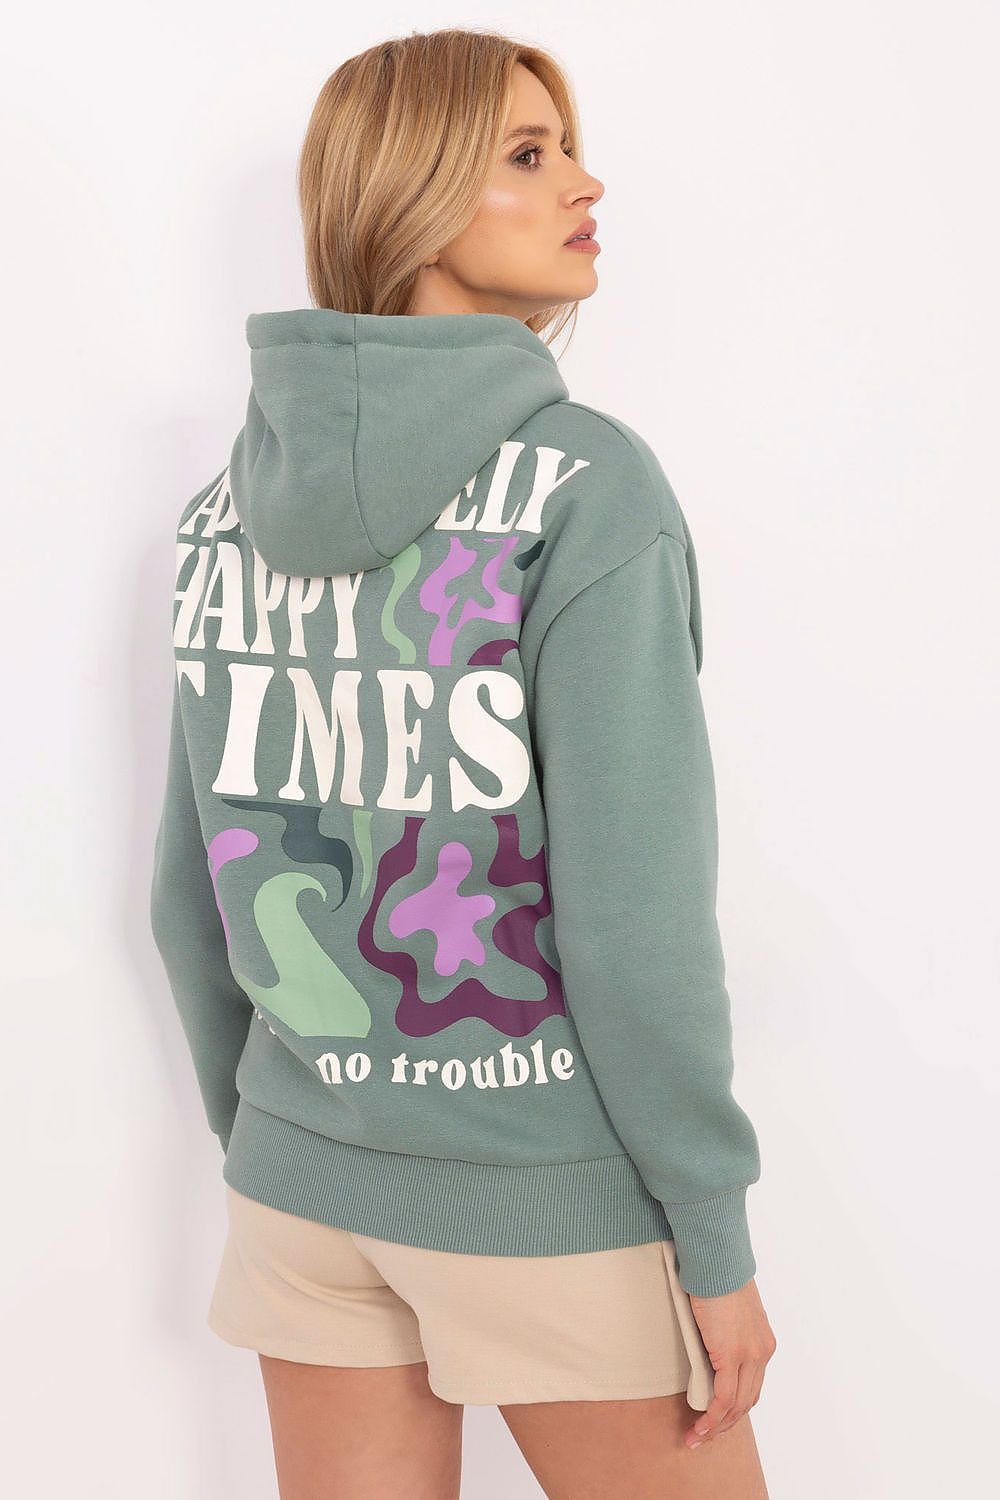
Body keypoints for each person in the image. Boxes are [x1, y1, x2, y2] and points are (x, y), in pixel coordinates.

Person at [149, 25, 777, 1499]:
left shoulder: (224, 508)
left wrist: (293, 1133)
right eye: (529, 154)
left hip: (302, 1186)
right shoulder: (588, 489)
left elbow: (191, 892)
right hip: (539, 1192)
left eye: (568, 147)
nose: (585, 183)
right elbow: (634, 918)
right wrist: (713, 1230)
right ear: (415, 194)